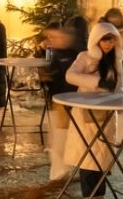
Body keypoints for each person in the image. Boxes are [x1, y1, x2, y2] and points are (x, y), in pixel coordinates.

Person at [63, 22, 123, 199]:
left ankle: (99, 196)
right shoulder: (85, 56)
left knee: (102, 160)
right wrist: (97, 82)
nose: (107, 44)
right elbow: (70, 75)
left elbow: (121, 89)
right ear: (96, 40)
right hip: (86, 116)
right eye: (104, 40)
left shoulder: (116, 61)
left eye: (111, 40)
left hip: (107, 116)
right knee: (89, 160)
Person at [37, 22, 79, 182]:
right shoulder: (57, 53)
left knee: (62, 139)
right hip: (58, 102)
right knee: (58, 139)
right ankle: (59, 173)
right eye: (50, 37)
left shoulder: (74, 54)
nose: (51, 40)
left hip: (69, 102)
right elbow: (53, 75)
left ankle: (60, 173)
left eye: (54, 36)